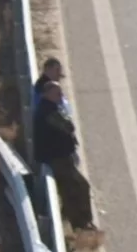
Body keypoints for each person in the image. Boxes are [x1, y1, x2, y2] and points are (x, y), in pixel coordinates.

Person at [34, 80, 97, 231]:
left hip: (59, 157)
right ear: (47, 94)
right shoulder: (48, 111)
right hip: (57, 159)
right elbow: (68, 126)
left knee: (72, 190)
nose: (61, 96)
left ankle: (78, 222)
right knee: (78, 187)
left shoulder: (50, 108)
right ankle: (81, 223)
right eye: (57, 93)